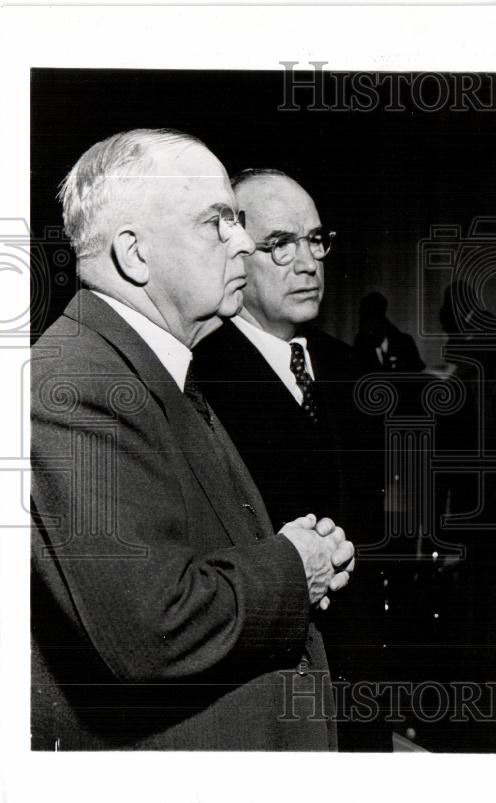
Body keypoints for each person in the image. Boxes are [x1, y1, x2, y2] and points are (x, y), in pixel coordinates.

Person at [31, 130, 355, 750]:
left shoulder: (151, 367)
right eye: (218, 223)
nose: (242, 243)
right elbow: (153, 627)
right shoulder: (74, 385)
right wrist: (297, 565)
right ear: (134, 254)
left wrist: (295, 553)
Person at [193, 168, 388, 750]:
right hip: (263, 696)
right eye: (281, 244)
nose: (308, 263)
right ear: (235, 254)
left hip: (358, 691)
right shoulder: (196, 377)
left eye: (315, 240)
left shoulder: (353, 371)